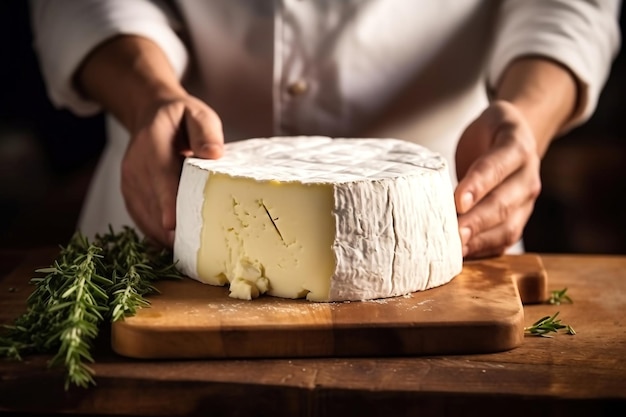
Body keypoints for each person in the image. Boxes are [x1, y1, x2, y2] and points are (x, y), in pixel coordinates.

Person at [29, 0, 621, 259]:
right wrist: (147, 97)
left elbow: (568, 5)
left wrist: (528, 115)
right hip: (167, 210)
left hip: (440, 217)